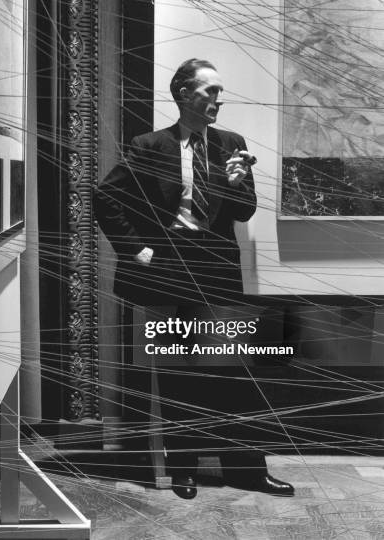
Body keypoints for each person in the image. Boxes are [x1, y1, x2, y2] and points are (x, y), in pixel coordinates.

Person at [95, 58, 294, 499]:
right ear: (183, 93)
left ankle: (245, 469)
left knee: (235, 372)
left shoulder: (231, 143)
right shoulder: (150, 145)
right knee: (180, 371)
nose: (217, 101)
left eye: (220, 93)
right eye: (209, 92)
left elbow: (243, 211)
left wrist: (237, 184)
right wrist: (137, 250)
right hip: (170, 267)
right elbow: (105, 196)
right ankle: (183, 470)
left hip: (218, 267)